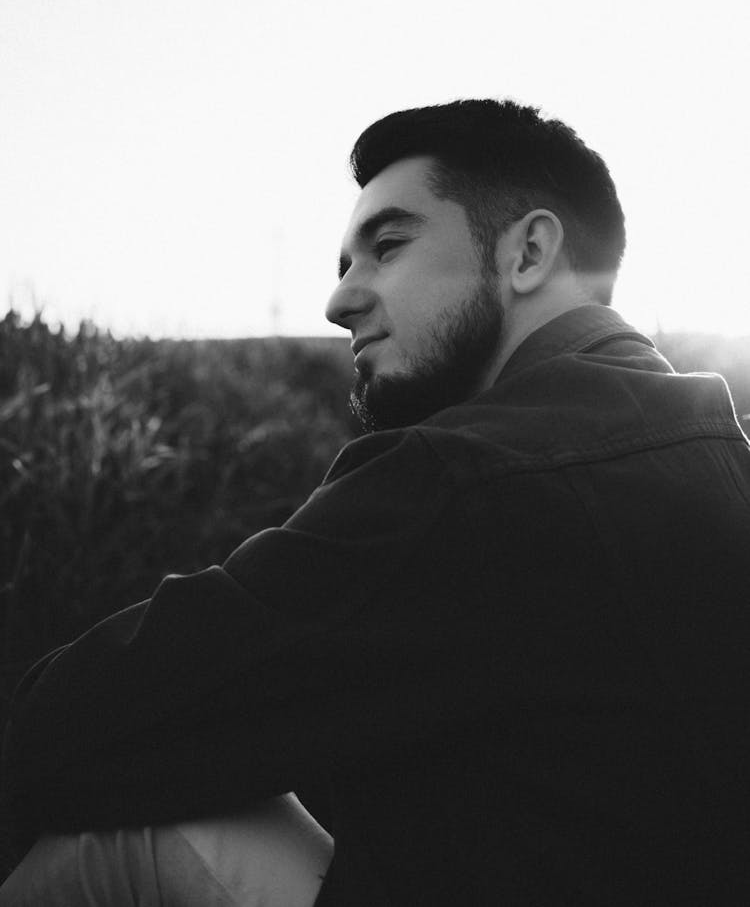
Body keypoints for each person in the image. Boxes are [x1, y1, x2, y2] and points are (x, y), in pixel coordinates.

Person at [2, 98, 750, 905]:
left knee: (133, 835)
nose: (339, 302)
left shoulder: (462, 478)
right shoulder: (720, 446)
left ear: (529, 251)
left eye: (385, 247)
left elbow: (76, 723)